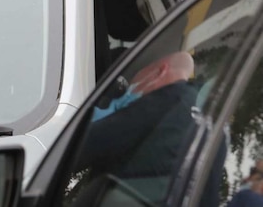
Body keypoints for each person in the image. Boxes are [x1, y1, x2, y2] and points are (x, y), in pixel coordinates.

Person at [72, 52, 198, 203]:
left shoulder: (167, 100)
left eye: (134, 85)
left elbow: (80, 148)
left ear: (159, 72)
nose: (130, 92)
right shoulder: (201, 117)